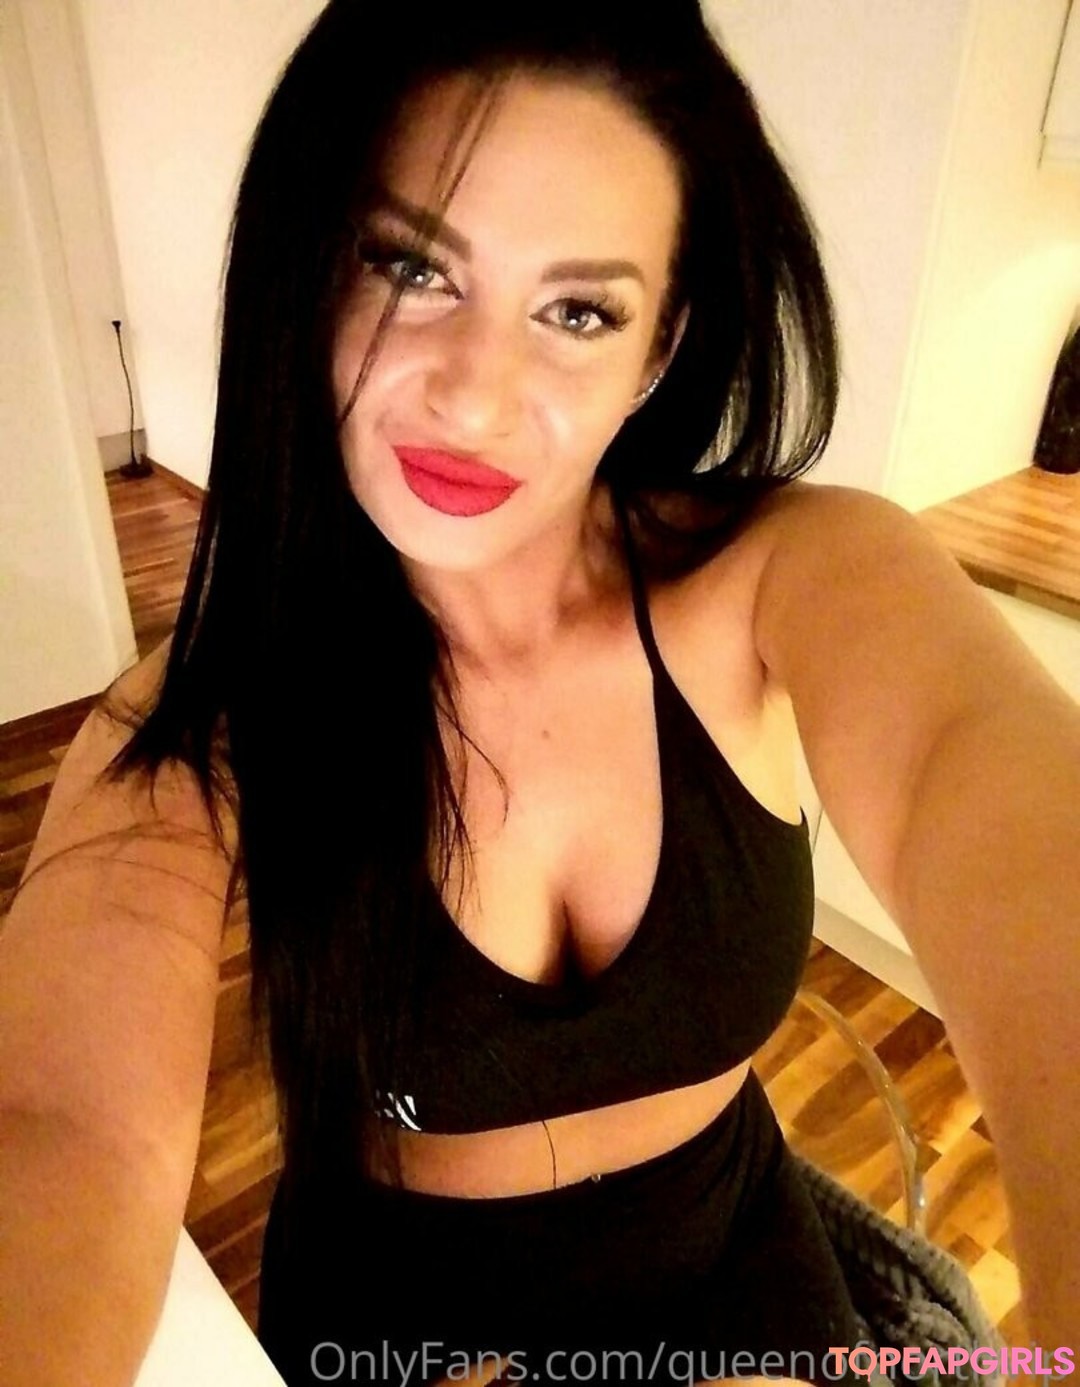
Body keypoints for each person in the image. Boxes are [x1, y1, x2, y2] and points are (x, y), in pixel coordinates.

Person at [2, 3, 1078, 1385]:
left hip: (731, 1257)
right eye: (414, 268)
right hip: (398, 1322)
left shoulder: (796, 573)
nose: (476, 396)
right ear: (315, 270)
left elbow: (982, 790)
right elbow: (62, 1128)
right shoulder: (208, 714)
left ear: (659, 347)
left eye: (578, 311)